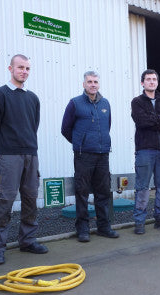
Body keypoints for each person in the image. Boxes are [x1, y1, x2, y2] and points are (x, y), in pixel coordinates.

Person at [0, 54, 48, 265]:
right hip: (9, 156)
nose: (24, 72)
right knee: (5, 200)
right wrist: (4, 149)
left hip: (31, 154)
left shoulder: (33, 98)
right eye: (20, 67)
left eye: (27, 68)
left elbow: (33, 126)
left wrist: (26, 147)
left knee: (30, 199)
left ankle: (28, 241)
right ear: (10, 68)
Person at [61, 71, 119, 242]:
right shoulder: (75, 103)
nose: (93, 84)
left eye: (95, 82)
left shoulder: (105, 103)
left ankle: (104, 227)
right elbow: (65, 128)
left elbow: (107, 126)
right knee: (82, 192)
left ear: (98, 84)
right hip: (83, 155)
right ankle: (83, 229)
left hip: (102, 154)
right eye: (89, 82)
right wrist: (80, 142)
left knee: (103, 192)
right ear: (84, 84)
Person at [131, 69, 160, 234]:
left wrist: (156, 120)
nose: (151, 82)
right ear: (143, 83)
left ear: (157, 82)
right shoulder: (137, 102)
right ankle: (139, 222)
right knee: (142, 187)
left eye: (154, 79)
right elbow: (141, 122)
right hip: (145, 151)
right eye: (148, 79)